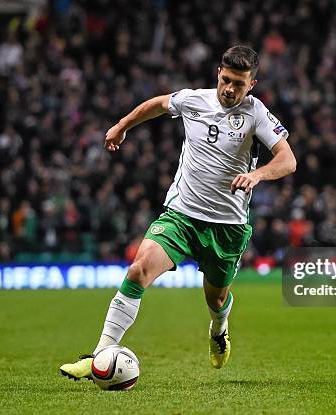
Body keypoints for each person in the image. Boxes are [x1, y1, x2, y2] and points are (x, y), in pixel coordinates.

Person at [60, 45, 296, 379]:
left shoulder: (256, 113)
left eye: (239, 84)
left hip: (227, 227)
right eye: (226, 80)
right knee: (139, 269)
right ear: (218, 72)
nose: (230, 89)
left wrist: (257, 175)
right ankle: (99, 356)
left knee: (215, 299)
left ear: (251, 84)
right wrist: (123, 125)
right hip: (182, 215)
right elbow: (158, 104)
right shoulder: (194, 100)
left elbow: (288, 160)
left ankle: (219, 328)